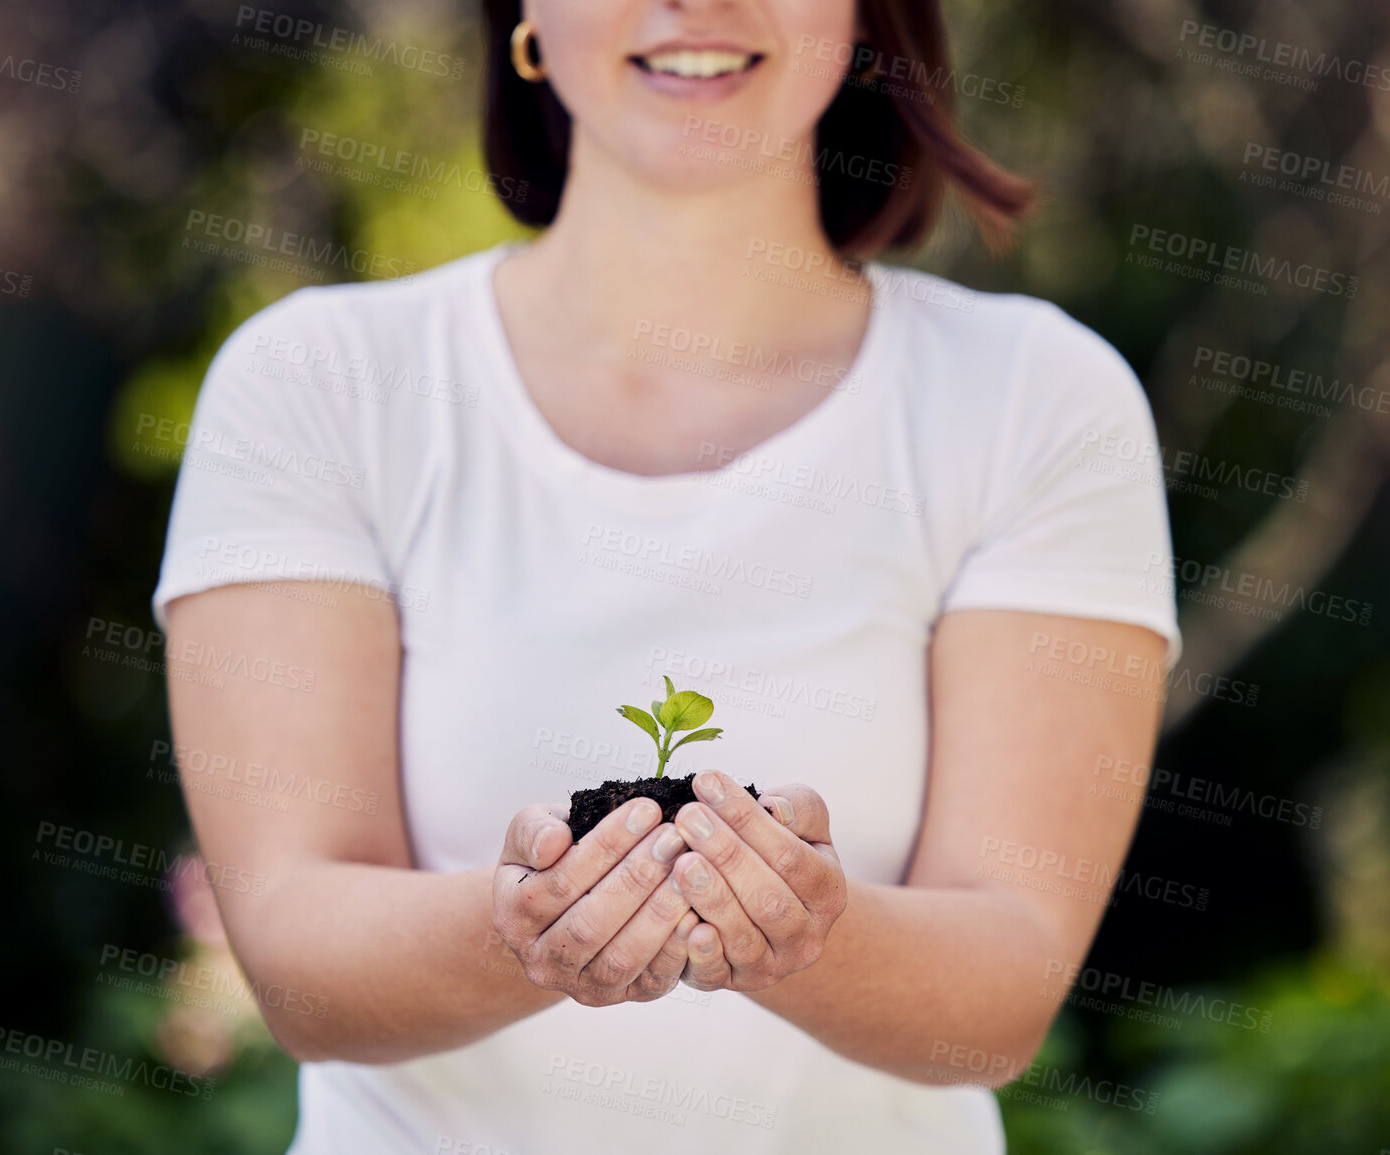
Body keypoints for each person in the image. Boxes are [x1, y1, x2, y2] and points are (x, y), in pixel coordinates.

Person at [152, 1, 1180, 1151]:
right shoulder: (315, 386)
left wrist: (805, 932)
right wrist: (525, 928)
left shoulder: (1034, 401)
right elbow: (298, 966)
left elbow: (999, 997)